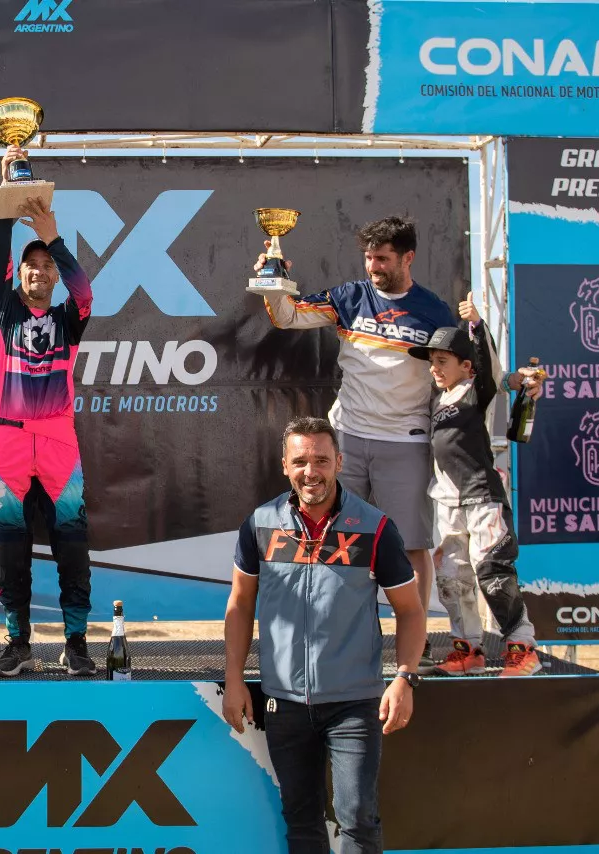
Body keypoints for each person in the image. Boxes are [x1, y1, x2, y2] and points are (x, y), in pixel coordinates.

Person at [257, 217, 455, 669]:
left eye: (383, 258)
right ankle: (334, 639)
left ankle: (416, 640)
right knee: (335, 538)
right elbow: (288, 316)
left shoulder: (434, 311)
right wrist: (274, 282)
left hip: (405, 438)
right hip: (346, 436)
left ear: (408, 258)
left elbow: (460, 369)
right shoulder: (348, 297)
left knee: (409, 545)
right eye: (369, 257)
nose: (373, 266)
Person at [223, 416, 425, 854]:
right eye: (300, 461)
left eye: (320, 460)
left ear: (339, 461)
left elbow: (411, 611)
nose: (310, 471)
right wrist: (234, 679)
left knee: (357, 821)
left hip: (354, 705)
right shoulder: (260, 523)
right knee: (302, 821)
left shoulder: (375, 528)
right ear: (284, 466)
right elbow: (239, 605)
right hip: (284, 703)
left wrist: (405, 677)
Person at [0, 145, 96, 677]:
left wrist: (52, 234)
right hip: (6, 441)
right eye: (31, 267)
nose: (38, 272)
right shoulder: (2, 311)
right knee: (12, 549)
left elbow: (86, 290)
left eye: (46, 267)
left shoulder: (69, 320)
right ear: (19, 277)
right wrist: (6, 194)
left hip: (57, 440)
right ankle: (17, 642)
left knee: (71, 543)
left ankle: (76, 643)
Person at [408, 293, 544, 677]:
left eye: (443, 361)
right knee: (452, 580)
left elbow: (490, 369)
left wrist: (477, 324)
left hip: (482, 495)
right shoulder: (436, 398)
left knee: (493, 572)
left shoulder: (475, 390)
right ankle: (468, 650)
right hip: (448, 501)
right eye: (432, 362)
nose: (435, 368)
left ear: (465, 366)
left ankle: (523, 649)